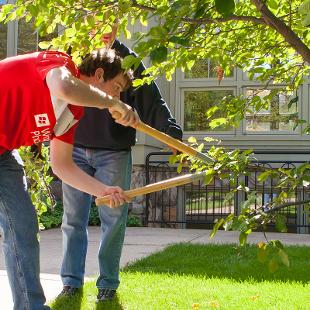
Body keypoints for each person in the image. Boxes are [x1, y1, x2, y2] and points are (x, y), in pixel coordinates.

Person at [0, 47, 139, 310]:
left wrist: (104, 190)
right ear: (99, 74)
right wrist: (113, 103)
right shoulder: (59, 63)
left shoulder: (72, 114)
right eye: (117, 87)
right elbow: (63, 88)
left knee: (22, 225)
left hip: (3, 153)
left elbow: (62, 166)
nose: (119, 96)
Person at [59, 27, 183, 302]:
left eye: (109, 22)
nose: (103, 28)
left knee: (114, 220)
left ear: (116, 25)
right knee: (73, 220)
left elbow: (153, 100)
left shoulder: (129, 61)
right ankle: (71, 282)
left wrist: (172, 134)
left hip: (113, 151)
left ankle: (107, 285)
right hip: (74, 148)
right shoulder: (75, 54)